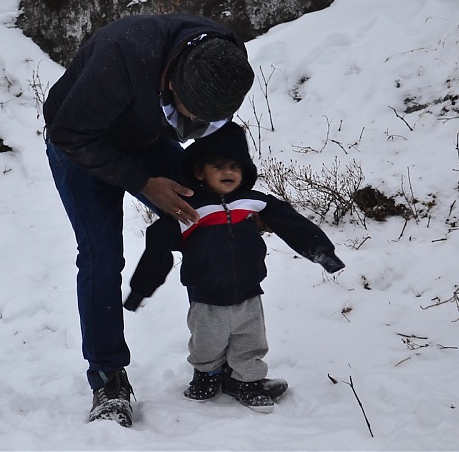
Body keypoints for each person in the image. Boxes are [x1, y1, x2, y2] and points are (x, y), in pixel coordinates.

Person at [44, 14, 255, 426]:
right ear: (173, 81)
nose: (193, 131)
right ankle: (108, 380)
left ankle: (219, 361)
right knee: (101, 256)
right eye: (191, 117)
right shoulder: (121, 57)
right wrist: (143, 183)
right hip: (81, 143)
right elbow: (70, 133)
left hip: (144, 132)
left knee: (210, 222)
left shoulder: (225, 57)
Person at [123, 122, 345, 412]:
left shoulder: (254, 203)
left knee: (251, 342)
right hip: (206, 297)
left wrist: (322, 253)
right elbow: (158, 247)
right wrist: (141, 289)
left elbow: (293, 223)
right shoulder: (189, 211)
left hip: (249, 293)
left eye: (234, 166)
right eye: (218, 166)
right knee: (206, 343)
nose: (228, 172)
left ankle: (248, 382)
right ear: (200, 171)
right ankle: (206, 376)